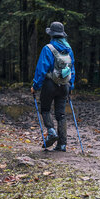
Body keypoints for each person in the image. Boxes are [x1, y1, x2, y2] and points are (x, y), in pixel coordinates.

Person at [31, 21, 75, 152]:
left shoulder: (48, 48)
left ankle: (51, 132)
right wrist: (70, 86)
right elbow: (72, 69)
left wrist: (35, 85)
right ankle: (62, 144)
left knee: (45, 109)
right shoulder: (69, 49)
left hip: (50, 84)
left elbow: (41, 69)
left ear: (52, 34)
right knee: (61, 115)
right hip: (64, 85)